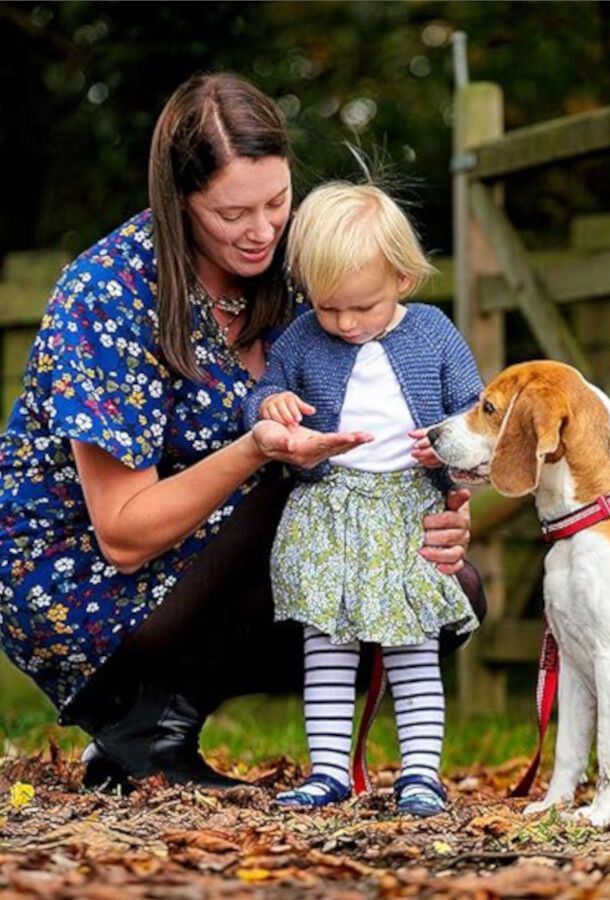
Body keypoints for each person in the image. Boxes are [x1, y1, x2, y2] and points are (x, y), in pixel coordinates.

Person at [0, 73, 484, 793]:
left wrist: (447, 512)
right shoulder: (107, 294)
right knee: (293, 505)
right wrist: (257, 445)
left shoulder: (296, 279)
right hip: (81, 583)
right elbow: (122, 535)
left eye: (277, 202)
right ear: (180, 201)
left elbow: (382, 425)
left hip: (215, 560)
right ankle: (143, 720)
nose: (262, 230)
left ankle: (158, 727)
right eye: (233, 213)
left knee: (452, 590)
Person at [242, 181, 483, 817]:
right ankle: (328, 771)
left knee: (413, 647)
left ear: (403, 279)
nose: (345, 324)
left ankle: (421, 774)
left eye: (362, 308)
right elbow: (262, 395)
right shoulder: (300, 337)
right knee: (326, 646)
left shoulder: (433, 333)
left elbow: (471, 410)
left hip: (407, 511)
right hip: (329, 510)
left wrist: (448, 452)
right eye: (329, 310)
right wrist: (274, 406)